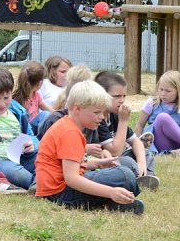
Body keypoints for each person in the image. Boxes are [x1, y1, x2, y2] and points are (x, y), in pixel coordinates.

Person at [35, 81, 144, 214]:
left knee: (123, 172)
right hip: (60, 194)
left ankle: (114, 204)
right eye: (96, 112)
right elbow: (72, 179)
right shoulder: (70, 133)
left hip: (56, 191)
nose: (101, 117)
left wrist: (97, 163)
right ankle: (112, 200)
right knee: (125, 176)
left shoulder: (68, 126)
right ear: (77, 109)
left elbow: (69, 164)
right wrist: (111, 191)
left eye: (102, 112)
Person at [94, 71, 159, 190]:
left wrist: (141, 163)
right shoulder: (98, 119)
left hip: (119, 156)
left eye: (124, 96)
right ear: (101, 96)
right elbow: (115, 153)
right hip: (107, 160)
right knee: (128, 162)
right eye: (117, 96)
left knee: (145, 154)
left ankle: (146, 176)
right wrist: (123, 121)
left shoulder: (114, 114)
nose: (122, 100)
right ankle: (138, 177)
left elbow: (136, 141)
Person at [13, 60, 52, 133]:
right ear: (40, 83)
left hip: (33, 129)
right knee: (45, 114)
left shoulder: (36, 95)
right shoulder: (19, 99)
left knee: (46, 114)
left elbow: (51, 110)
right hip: (25, 130)